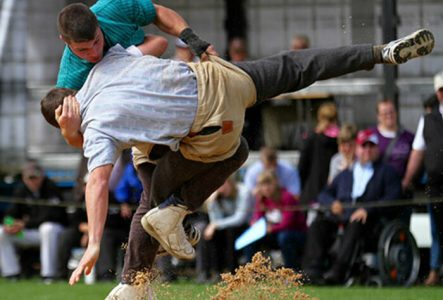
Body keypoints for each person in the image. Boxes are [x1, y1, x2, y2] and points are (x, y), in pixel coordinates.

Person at [40, 29, 434, 294]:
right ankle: (378, 52)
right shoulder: (108, 63)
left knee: (210, 167)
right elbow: (158, 36)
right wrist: (191, 38)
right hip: (217, 74)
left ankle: (136, 276)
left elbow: (95, 180)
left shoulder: (95, 125)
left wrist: (93, 243)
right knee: (297, 66)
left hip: (207, 123)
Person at [301, 129, 402, 284]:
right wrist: (332, 203)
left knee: (355, 225)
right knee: (317, 225)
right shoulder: (346, 173)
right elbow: (324, 194)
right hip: (340, 216)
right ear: (357, 148)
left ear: (377, 149)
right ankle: (312, 271)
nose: (367, 150)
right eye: (364, 146)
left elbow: (392, 198)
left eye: (371, 146)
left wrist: (367, 210)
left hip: (370, 223)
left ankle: (337, 273)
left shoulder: (387, 172)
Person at [403, 71, 443, 286]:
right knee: (437, 228)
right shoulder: (427, 120)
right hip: (436, 184)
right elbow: (418, 151)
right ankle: (435, 271)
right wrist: (407, 179)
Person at [0, 161, 67, 281]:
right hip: (30, 233)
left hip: (55, 233)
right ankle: (11, 274)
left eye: (35, 177)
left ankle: (48, 274)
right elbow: (11, 212)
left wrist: (24, 223)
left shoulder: (51, 188)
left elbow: (51, 215)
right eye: (29, 178)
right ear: (24, 178)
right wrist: (9, 224)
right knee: (1, 232)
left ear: (42, 176)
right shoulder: (21, 189)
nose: (32, 181)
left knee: (47, 228)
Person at [244, 170, 306, 270]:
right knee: (250, 238)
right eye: (263, 185)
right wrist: (255, 222)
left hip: (295, 232)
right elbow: (258, 217)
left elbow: (288, 223)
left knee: (284, 237)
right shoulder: (262, 199)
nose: (266, 188)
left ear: (276, 183)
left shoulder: (287, 197)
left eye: (269, 184)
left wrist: (271, 228)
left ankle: (292, 271)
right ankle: (250, 272)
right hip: (274, 233)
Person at [200, 176, 251, 282]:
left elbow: (239, 219)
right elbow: (215, 219)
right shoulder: (218, 197)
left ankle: (233, 271)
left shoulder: (244, 192)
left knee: (230, 232)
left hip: (245, 227)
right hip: (225, 227)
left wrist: (215, 225)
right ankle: (216, 272)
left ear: (230, 182)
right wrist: (212, 203)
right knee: (211, 235)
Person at [298, 102, 339, 205]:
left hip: (313, 191)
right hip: (335, 194)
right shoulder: (341, 139)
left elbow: (302, 167)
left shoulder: (312, 138)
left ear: (319, 117)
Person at [371, 99, 414, 179]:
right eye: (385, 113)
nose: (389, 115)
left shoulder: (409, 137)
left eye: (391, 111)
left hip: (401, 184)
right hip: (378, 185)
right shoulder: (371, 135)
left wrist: (406, 182)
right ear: (378, 116)